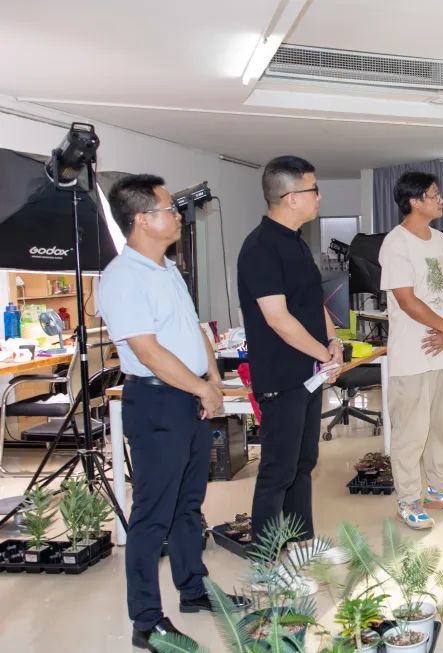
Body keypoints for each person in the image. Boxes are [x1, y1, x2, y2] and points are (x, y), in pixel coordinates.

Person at [98, 174, 247, 651]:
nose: (178, 215)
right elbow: (148, 351)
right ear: (142, 219)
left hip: (188, 395)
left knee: (188, 503)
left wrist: (212, 378)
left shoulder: (167, 268)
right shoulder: (122, 277)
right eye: (169, 208)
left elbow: (194, 328)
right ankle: (145, 621)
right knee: (152, 515)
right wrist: (200, 388)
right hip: (158, 401)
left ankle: (193, 588)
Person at [237, 155, 343, 547]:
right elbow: (278, 319)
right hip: (281, 376)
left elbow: (313, 303)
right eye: (314, 190)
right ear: (291, 197)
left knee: (304, 462)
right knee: (278, 468)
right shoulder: (260, 248)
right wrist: (323, 355)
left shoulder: (296, 242)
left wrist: (334, 343)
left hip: (308, 374)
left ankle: (301, 541)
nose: (319, 197)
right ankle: (266, 555)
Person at [378, 171, 443, 529]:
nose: (440, 200)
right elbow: (406, 300)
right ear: (415, 201)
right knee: (410, 432)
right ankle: (408, 500)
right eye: (434, 195)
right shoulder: (395, 243)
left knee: (442, 427)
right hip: (411, 355)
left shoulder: (442, 241)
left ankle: (439, 488)